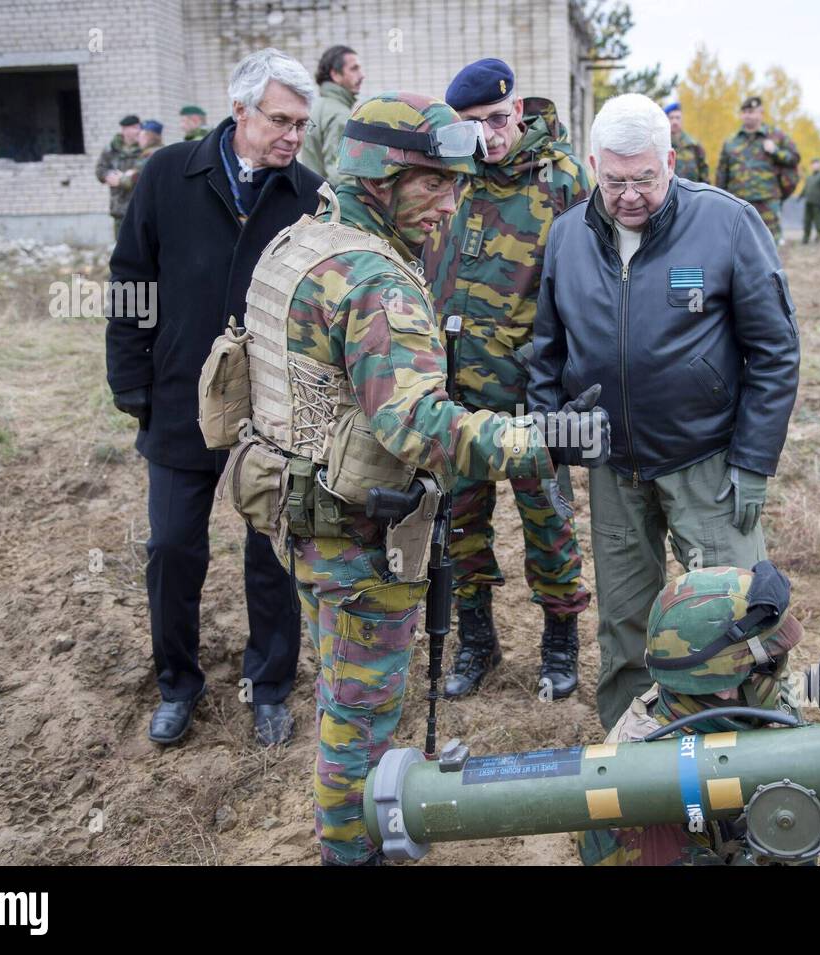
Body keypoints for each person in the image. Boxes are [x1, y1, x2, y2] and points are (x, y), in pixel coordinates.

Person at [237, 92, 608, 864]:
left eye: (456, 184)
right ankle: (350, 850)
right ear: (380, 177)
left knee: (344, 696)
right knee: (360, 718)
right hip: (359, 538)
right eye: (433, 184)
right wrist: (541, 435)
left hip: (297, 517)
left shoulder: (299, 243)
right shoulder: (377, 281)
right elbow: (420, 429)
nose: (451, 202)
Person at [529, 93, 800, 730]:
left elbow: (775, 349)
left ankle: (758, 748)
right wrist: (549, 450)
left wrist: (754, 460)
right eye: (614, 180)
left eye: (645, 179)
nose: (628, 195)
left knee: (736, 615)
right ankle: (635, 762)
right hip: (612, 465)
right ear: (593, 164)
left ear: (670, 162)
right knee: (624, 622)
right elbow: (546, 353)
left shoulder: (726, 223)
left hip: (706, 460)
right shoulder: (567, 236)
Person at [105, 48, 323, 747]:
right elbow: (132, 277)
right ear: (240, 111)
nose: (292, 135)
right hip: (179, 396)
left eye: (301, 122)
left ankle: (270, 684)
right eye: (280, 120)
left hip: (274, 405)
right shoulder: (170, 174)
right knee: (172, 545)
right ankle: (177, 682)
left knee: (272, 547)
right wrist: (131, 379)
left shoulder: (309, 195)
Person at [421, 58, 594, 702]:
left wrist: (569, 380)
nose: (489, 136)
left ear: (518, 111)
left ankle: (559, 643)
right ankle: (477, 641)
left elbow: (594, 285)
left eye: (498, 119)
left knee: (548, 522)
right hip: (453, 396)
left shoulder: (565, 180)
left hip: (532, 395)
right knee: (460, 524)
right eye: (472, 124)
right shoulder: (446, 176)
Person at [575, 562, 820, 865]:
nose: (783, 674)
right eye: (774, 662)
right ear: (724, 685)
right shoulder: (640, 800)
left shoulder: (743, 704)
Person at [715, 95, 800, 243]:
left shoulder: (776, 136)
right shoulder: (731, 142)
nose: (748, 115)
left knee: (770, 245)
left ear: (761, 113)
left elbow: (794, 158)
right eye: (745, 111)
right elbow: (722, 174)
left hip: (767, 202)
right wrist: (720, 201)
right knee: (739, 244)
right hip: (738, 202)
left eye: (752, 111)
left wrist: (775, 151)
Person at [299, 44, 364, 184]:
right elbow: (340, 174)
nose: (361, 75)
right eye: (354, 69)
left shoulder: (318, 106)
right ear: (335, 74)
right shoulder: (338, 114)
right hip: (333, 202)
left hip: (313, 197)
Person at [95, 114, 141, 240]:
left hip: (140, 206)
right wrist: (108, 176)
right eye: (134, 127)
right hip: (119, 206)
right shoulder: (111, 149)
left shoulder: (144, 149)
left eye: (138, 127)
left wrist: (126, 178)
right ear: (124, 129)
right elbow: (100, 170)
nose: (138, 130)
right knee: (122, 246)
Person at [664, 102, 709, 183]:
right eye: (671, 118)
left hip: (691, 193)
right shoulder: (662, 145)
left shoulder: (693, 145)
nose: (675, 121)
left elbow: (704, 173)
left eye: (678, 118)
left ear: (682, 120)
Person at [800, 157, 820, 243]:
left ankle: (819, 237)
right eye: (813, 164)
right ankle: (805, 238)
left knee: (818, 222)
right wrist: (801, 196)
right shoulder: (810, 177)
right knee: (807, 221)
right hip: (808, 203)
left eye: (817, 164)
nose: (815, 166)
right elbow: (806, 188)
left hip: (818, 204)